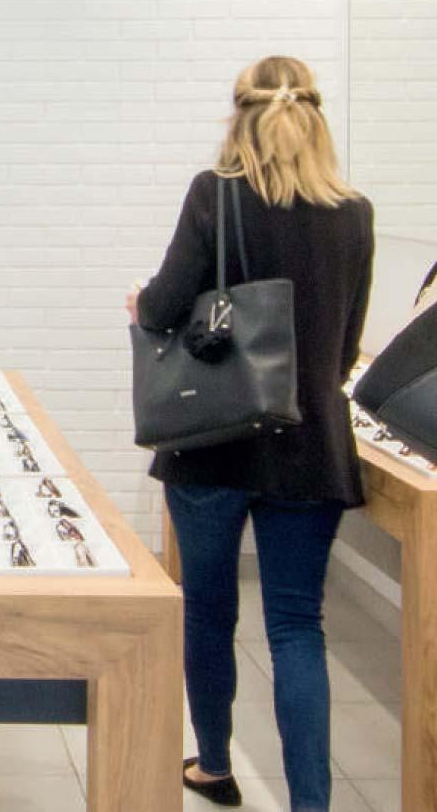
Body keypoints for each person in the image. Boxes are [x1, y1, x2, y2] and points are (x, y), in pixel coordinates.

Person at [128, 56, 373, 812]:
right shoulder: (354, 212)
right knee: (298, 626)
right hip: (310, 443)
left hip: (214, 439)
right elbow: (344, 346)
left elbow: (167, 307)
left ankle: (215, 766)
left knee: (207, 609)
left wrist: (140, 304)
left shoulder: (216, 196)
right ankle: (312, 804)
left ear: (237, 118)